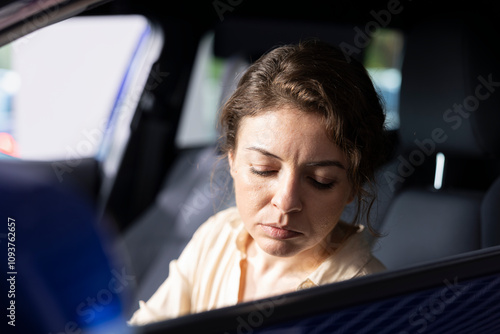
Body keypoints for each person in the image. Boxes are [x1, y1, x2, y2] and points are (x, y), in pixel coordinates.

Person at [129, 39, 388, 325]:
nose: (286, 202)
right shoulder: (217, 236)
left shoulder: (367, 299)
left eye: (320, 180)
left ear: (353, 185)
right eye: (263, 169)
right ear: (232, 160)